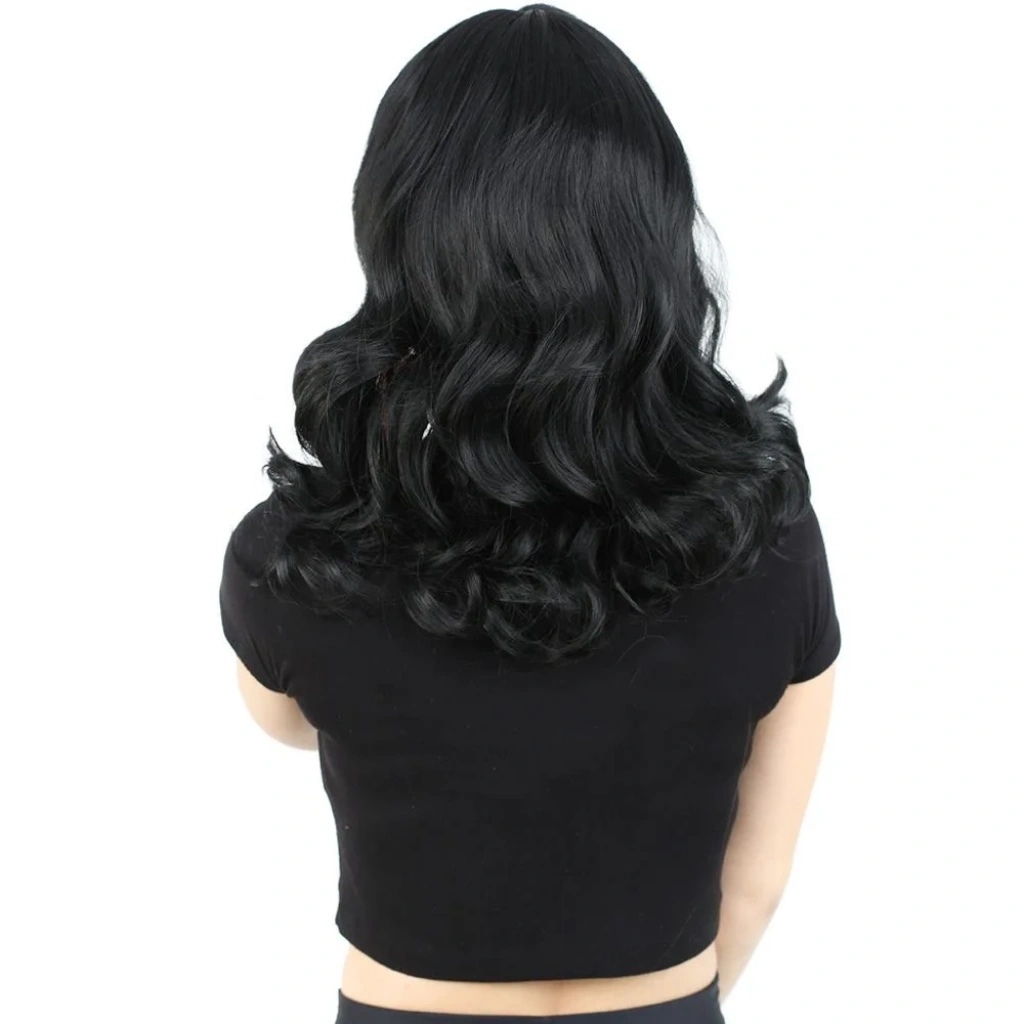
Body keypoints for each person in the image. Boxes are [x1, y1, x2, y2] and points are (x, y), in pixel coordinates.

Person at [218, 5, 841, 1022]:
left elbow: (285, 721)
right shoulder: (762, 531)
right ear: (649, 231)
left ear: (400, 232)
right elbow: (758, 882)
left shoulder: (300, 550)